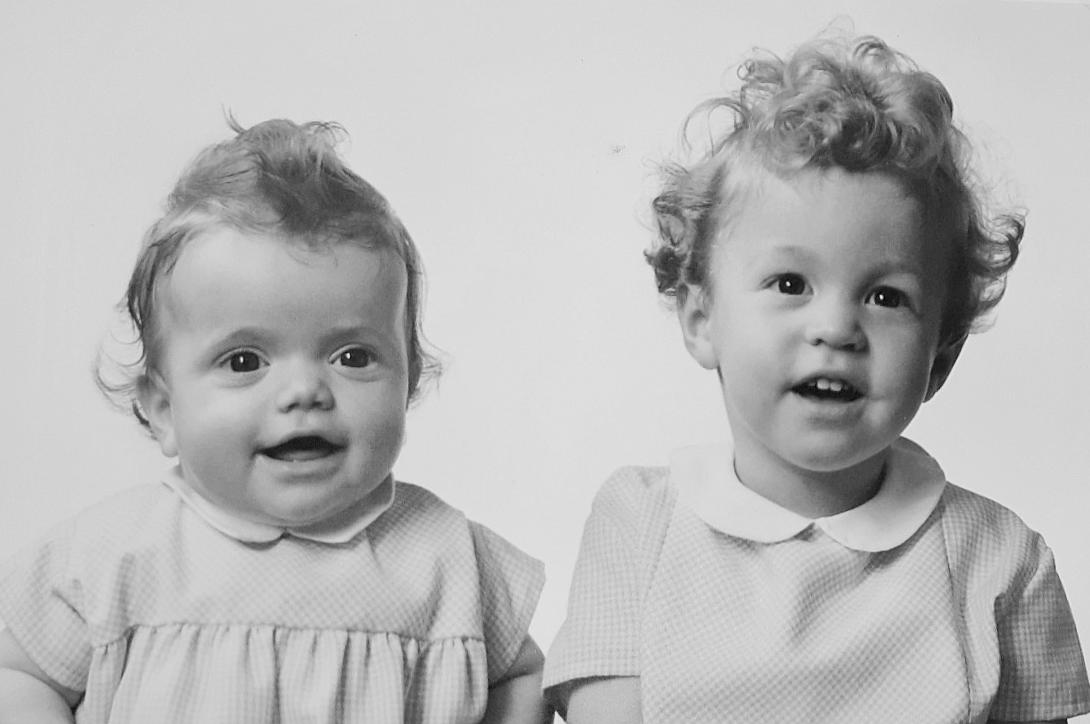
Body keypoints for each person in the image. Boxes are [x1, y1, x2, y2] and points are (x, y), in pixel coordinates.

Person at [543, 33, 1090, 723]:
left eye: (886, 296)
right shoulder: (639, 522)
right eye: (790, 283)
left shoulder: (1002, 561)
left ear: (940, 358)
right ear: (702, 319)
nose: (836, 328)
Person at [0, 118, 549, 724]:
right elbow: (18, 673)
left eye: (353, 357)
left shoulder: (451, 559)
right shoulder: (115, 555)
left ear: (409, 380)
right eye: (244, 361)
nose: (305, 391)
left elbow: (523, 676)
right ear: (164, 409)